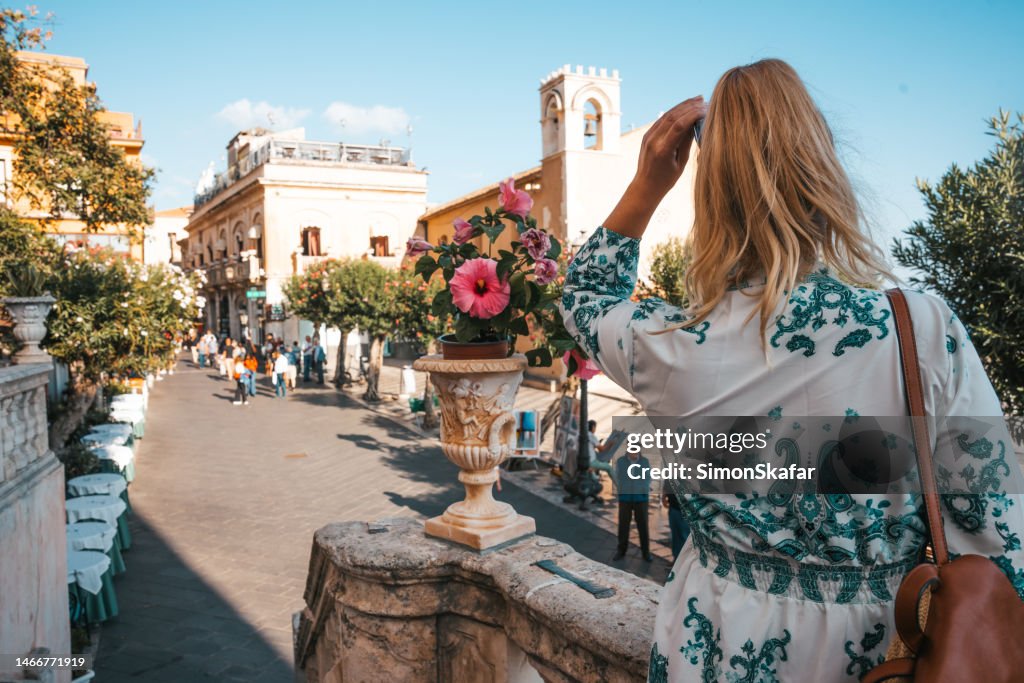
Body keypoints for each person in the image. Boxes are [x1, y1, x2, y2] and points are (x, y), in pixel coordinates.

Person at [559, 59, 1024, 681]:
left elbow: (584, 295)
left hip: (711, 643)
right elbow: (999, 535)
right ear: (822, 164)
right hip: (882, 653)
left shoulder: (667, 343)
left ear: (710, 190)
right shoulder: (921, 331)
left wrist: (648, 184)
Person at [613, 446, 652, 562]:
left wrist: (643, 488)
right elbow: (617, 476)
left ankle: (646, 553)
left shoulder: (644, 462)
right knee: (623, 525)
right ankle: (621, 551)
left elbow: (648, 478)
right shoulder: (621, 461)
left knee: (643, 526)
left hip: (641, 498)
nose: (634, 453)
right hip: (625, 498)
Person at [661, 488, 690, 561]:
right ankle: (676, 559)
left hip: (686, 509)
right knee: (675, 536)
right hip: (673, 507)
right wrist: (664, 496)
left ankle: (683, 562)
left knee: (684, 537)